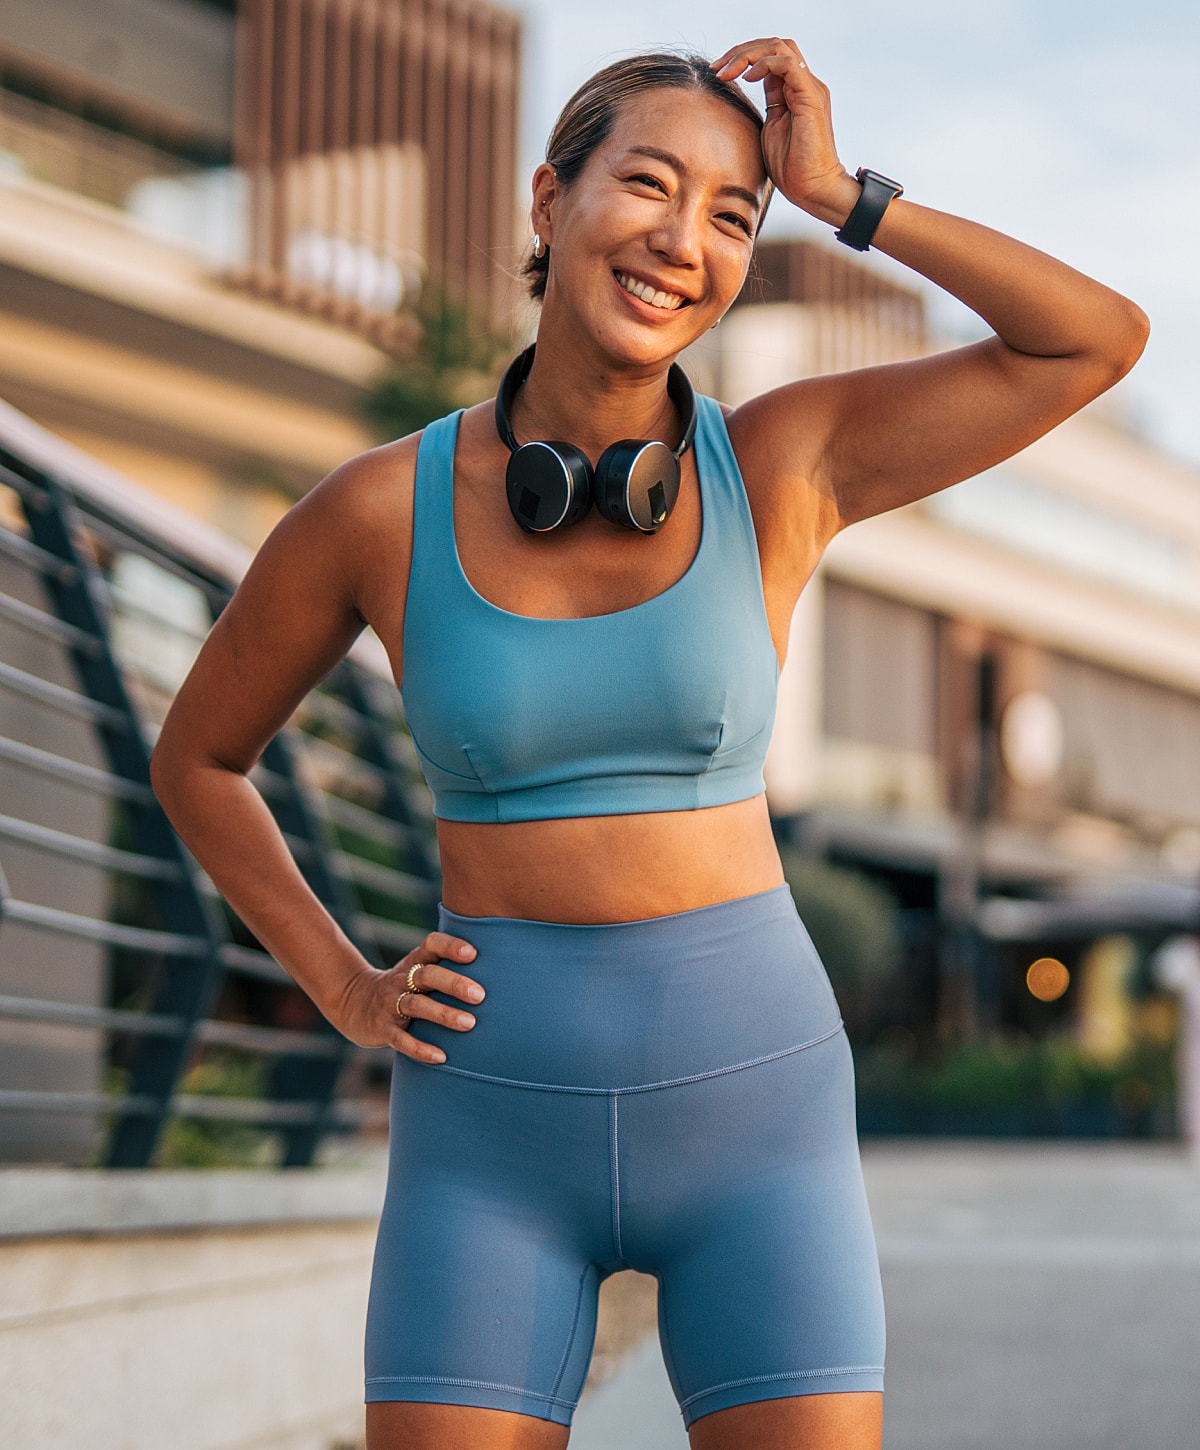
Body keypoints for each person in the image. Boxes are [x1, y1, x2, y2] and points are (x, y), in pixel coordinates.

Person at [149, 36, 1148, 1450]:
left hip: (758, 1118)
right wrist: (347, 988)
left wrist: (844, 196)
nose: (685, 241)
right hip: (486, 1132)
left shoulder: (787, 462)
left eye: (732, 214)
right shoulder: (376, 512)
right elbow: (198, 758)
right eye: (650, 185)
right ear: (548, 201)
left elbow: (1094, 337)